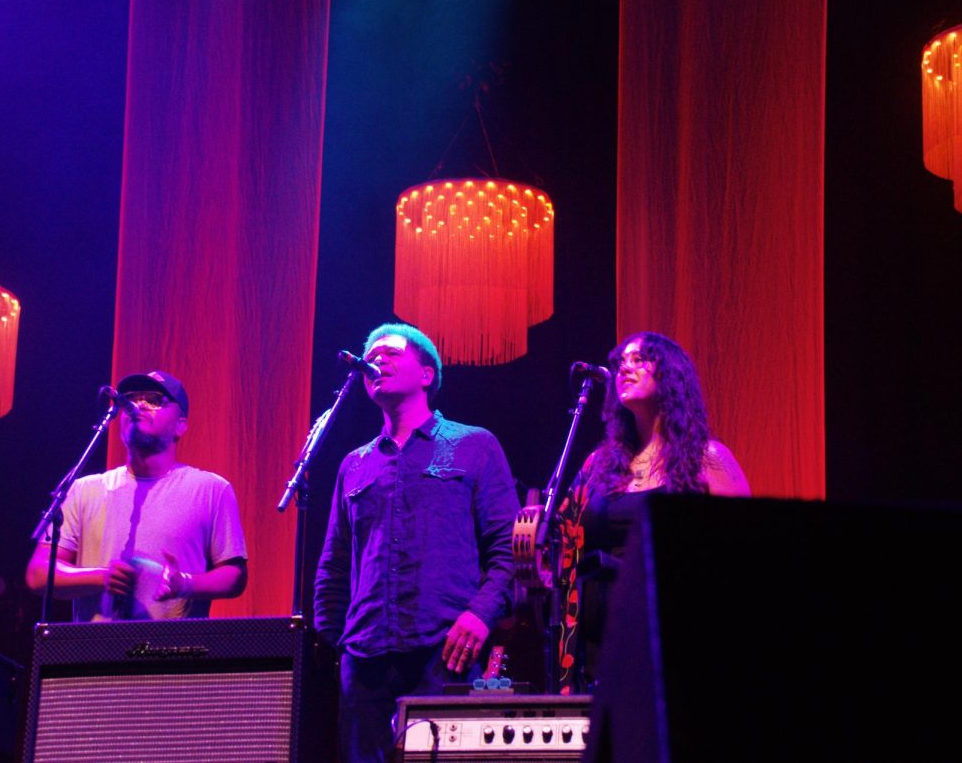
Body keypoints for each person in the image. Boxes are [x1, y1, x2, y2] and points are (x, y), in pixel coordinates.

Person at [313, 323, 518, 763]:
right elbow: (333, 564)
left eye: (390, 353)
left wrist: (479, 615)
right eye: (372, 355)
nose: (377, 361)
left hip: (444, 654)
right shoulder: (355, 464)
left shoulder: (474, 445)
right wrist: (340, 643)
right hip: (364, 660)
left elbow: (508, 552)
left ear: (427, 374)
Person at [557, 332, 750, 692]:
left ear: (671, 376)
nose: (625, 368)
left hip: (676, 644)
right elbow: (561, 540)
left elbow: (743, 553)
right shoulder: (599, 465)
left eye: (641, 359)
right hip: (603, 650)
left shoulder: (706, 459)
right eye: (621, 363)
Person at [25, 370, 247, 621]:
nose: (139, 404)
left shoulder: (211, 490)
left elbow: (234, 575)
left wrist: (184, 584)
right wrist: (102, 576)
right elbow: (39, 574)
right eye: (132, 397)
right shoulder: (83, 490)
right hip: (94, 654)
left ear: (181, 425)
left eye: (154, 399)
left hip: (175, 653)